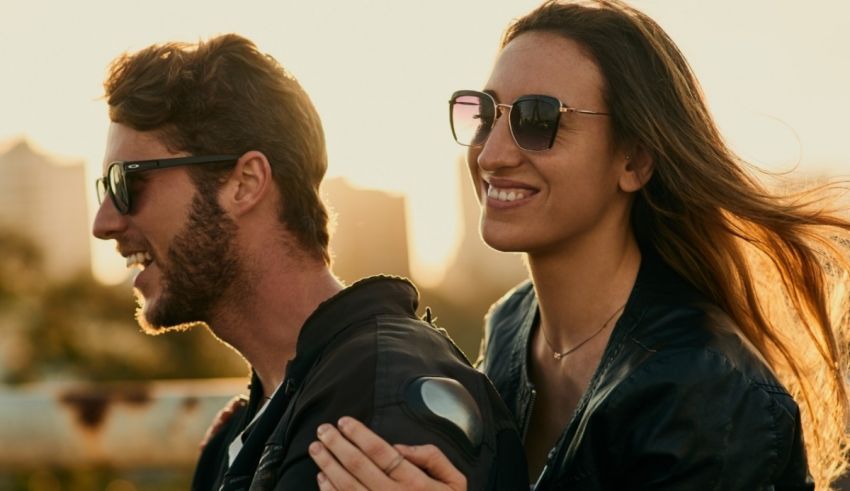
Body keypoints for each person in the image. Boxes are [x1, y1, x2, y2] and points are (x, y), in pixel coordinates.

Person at [308, 1, 850, 489]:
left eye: (537, 120)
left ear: (634, 160)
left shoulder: (702, 389)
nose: (491, 153)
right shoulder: (511, 324)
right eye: (486, 114)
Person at [91, 34, 527, 490]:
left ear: (245, 183)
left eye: (127, 183)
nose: (104, 222)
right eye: (104, 189)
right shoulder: (242, 430)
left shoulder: (373, 409)